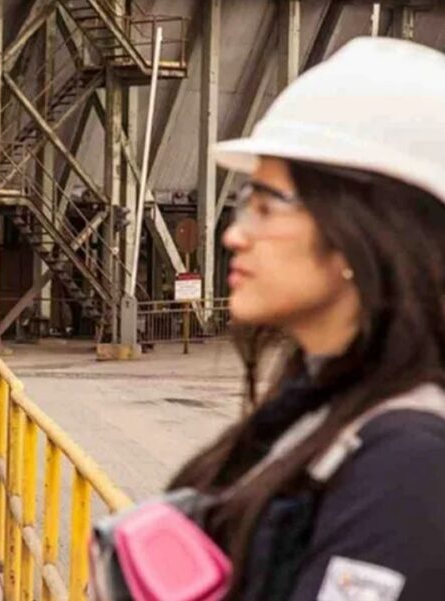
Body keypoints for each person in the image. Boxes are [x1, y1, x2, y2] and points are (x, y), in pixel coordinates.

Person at [165, 38, 445, 601]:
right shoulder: (315, 406)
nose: (234, 234)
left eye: (266, 206)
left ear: (361, 236)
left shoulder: (410, 466)